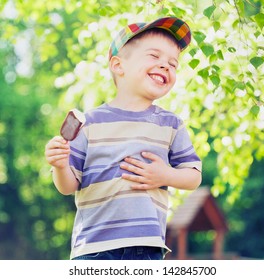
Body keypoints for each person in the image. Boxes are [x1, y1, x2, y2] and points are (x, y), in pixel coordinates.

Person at [45, 16, 202, 260]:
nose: (166, 66)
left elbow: (193, 175)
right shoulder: (89, 123)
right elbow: (67, 186)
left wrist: (165, 175)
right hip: (94, 248)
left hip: (147, 246)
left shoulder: (171, 124)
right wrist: (59, 164)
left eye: (173, 63)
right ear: (119, 66)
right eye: (154, 56)